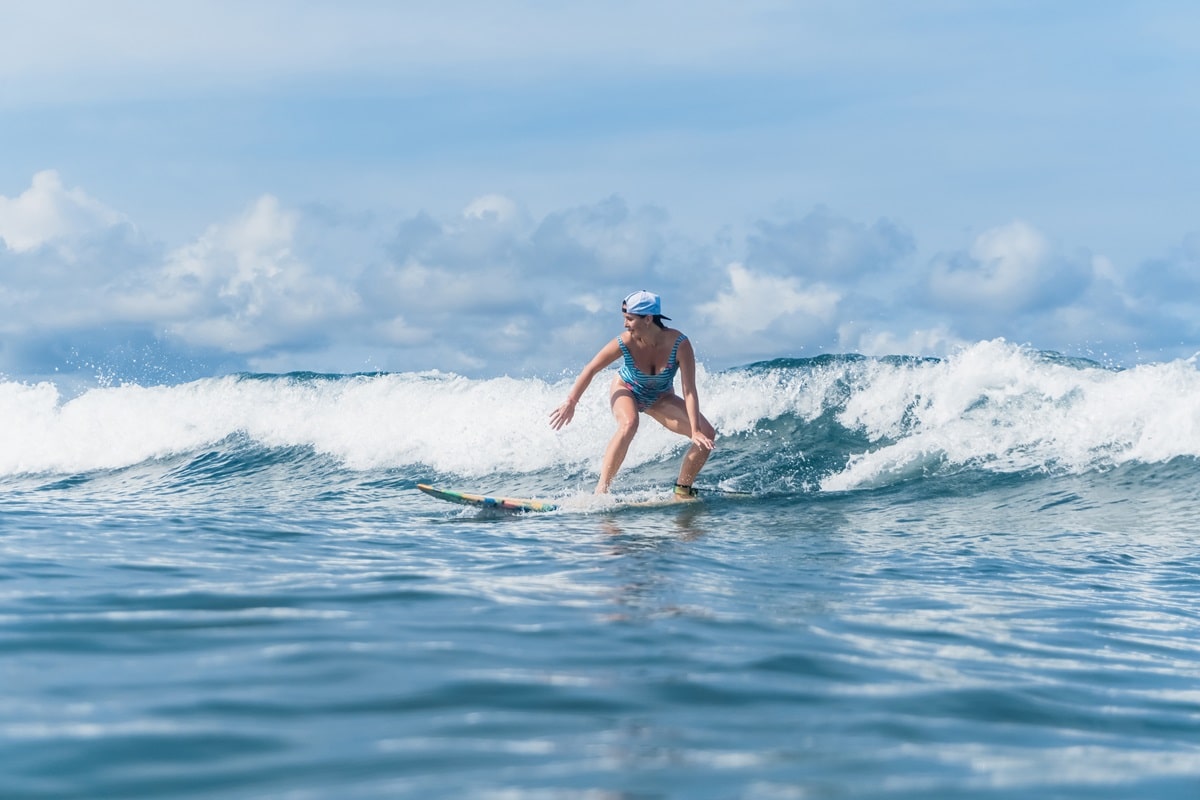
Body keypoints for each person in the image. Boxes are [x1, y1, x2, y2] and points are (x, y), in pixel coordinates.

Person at [549, 290, 716, 496]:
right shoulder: (625, 341)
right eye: (625, 318)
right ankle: (601, 491)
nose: (625, 324)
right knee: (629, 423)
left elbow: (689, 390)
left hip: (659, 397)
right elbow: (591, 368)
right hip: (626, 389)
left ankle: (682, 490)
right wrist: (571, 401)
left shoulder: (679, 344)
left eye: (629, 319)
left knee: (707, 435)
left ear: (647, 319)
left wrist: (696, 429)